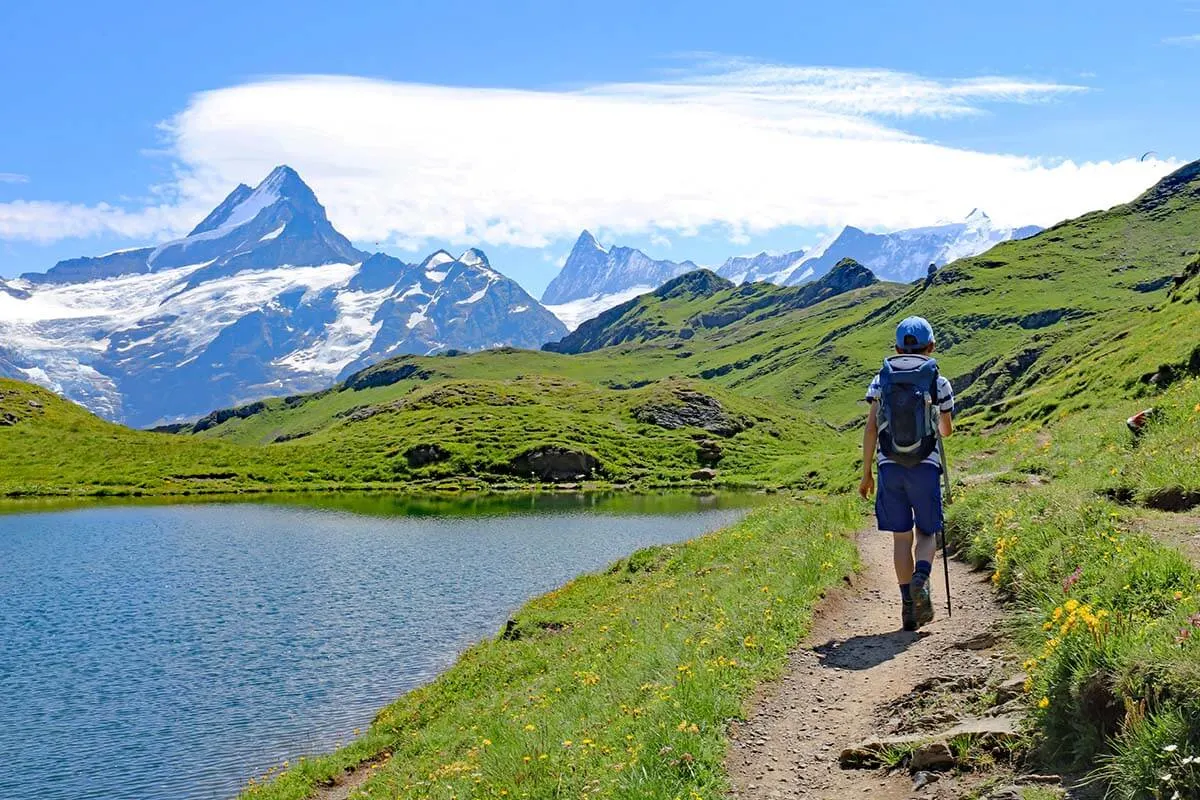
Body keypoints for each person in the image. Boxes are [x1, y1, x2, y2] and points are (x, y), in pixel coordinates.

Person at [858, 316, 954, 631]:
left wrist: (866, 473)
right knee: (926, 533)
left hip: (889, 467)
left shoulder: (880, 379)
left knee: (902, 538)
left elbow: (871, 427)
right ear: (932, 346)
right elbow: (946, 431)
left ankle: (908, 609)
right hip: (925, 466)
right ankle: (922, 578)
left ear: (897, 347)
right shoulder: (937, 380)